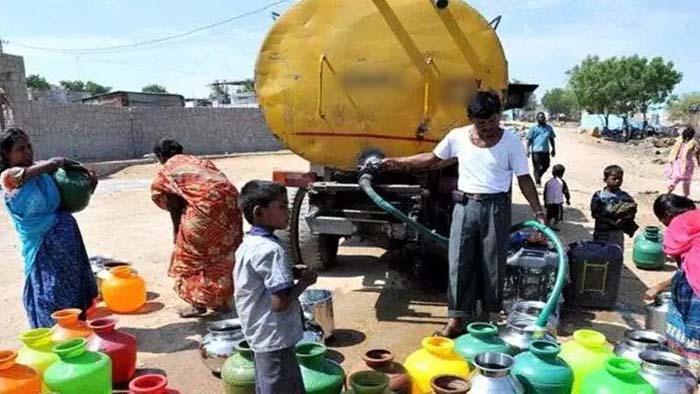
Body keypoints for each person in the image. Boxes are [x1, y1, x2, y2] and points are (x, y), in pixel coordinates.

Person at [382, 91, 546, 338]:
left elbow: (524, 178)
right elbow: (431, 159)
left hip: (496, 209)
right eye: (482, 123)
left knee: (493, 264)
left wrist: (539, 211)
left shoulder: (511, 141)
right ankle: (456, 319)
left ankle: (489, 319)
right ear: (470, 118)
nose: (489, 127)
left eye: (493, 121)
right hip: (465, 207)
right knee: (459, 262)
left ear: (499, 116)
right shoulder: (457, 137)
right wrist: (397, 162)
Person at [0, 128, 98, 328]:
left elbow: (67, 200)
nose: (28, 151)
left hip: (66, 244)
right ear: (6, 155)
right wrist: (53, 163)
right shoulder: (8, 178)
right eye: (20, 149)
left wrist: (88, 185)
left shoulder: (43, 175)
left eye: (29, 146)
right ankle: (54, 336)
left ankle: (76, 331)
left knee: (72, 287)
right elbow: (20, 176)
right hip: (42, 247)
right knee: (50, 291)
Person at [234, 180, 318, 394]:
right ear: (259, 212)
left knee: (269, 384)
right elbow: (280, 303)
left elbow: (260, 278)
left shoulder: (250, 243)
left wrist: (290, 271)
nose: (288, 213)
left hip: (259, 331)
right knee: (280, 385)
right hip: (275, 335)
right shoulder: (271, 250)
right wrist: (305, 282)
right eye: (282, 207)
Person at [151, 139, 243, 317]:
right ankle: (221, 302)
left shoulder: (168, 169)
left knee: (189, 258)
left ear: (161, 156)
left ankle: (197, 304)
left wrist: (178, 234)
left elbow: (174, 204)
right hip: (231, 206)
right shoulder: (199, 162)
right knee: (222, 255)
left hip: (205, 209)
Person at [644, 194, 700, 375]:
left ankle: (686, 373)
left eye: (662, 220)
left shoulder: (679, 224)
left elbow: (684, 269)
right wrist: (660, 286)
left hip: (694, 291)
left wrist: (659, 287)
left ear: (668, 214)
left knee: (689, 332)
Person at [590, 165, 639, 253]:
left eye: (620, 179)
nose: (618, 181)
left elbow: (632, 211)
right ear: (605, 180)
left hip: (617, 233)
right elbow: (595, 214)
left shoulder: (624, 197)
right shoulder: (599, 196)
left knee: (616, 255)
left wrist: (625, 218)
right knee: (600, 255)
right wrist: (611, 221)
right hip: (601, 232)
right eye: (614, 179)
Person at [666, 126, 699, 198]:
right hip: (687, 164)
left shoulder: (679, 141)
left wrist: (671, 162)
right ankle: (685, 197)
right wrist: (698, 162)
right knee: (686, 182)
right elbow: (697, 153)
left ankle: (667, 195)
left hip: (677, 163)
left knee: (674, 180)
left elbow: (673, 153)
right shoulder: (693, 143)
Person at [526, 112, 556, 186]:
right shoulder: (533, 128)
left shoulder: (549, 128)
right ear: (537, 118)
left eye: (542, 117)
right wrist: (527, 150)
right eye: (539, 117)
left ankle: (538, 176)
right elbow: (529, 139)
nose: (541, 118)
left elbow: (551, 139)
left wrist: (554, 149)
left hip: (545, 151)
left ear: (544, 118)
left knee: (546, 165)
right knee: (537, 167)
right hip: (536, 151)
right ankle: (538, 182)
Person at [543, 164, 570, 229]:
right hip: (558, 202)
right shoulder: (562, 182)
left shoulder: (548, 182)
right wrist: (568, 199)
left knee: (549, 215)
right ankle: (554, 225)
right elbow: (566, 192)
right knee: (558, 216)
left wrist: (545, 202)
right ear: (562, 174)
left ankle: (547, 225)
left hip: (549, 202)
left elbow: (545, 192)